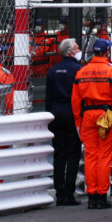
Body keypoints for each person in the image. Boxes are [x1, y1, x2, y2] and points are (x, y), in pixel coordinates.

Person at [73, 37, 112, 208]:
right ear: (107, 52)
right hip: (106, 115)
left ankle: (92, 195)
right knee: (104, 156)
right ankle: (102, 195)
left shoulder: (82, 72)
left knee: (90, 156)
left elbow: (75, 101)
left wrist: (78, 122)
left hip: (87, 114)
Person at [43, 38, 84, 205]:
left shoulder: (53, 70)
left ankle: (59, 192)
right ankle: (69, 192)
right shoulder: (78, 70)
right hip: (73, 114)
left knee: (59, 154)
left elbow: (48, 97)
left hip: (56, 114)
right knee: (73, 154)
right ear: (72, 52)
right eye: (78, 48)